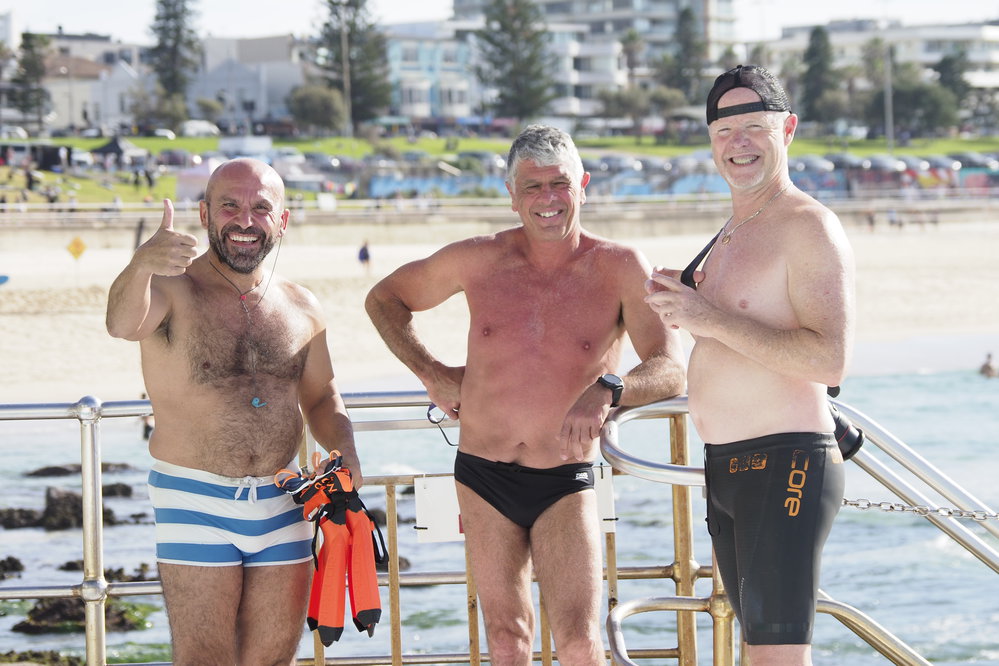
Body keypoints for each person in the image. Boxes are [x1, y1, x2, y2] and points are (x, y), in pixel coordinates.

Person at [365, 124, 685, 665]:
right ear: (512, 196)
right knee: (507, 639)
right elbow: (384, 299)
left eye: (560, 184)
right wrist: (431, 371)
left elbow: (671, 370)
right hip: (482, 474)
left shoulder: (620, 266)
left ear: (583, 186)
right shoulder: (479, 258)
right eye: (532, 187)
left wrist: (610, 389)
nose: (547, 199)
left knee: (579, 641)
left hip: (565, 477)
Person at [106, 158, 360, 665]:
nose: (245, 220)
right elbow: (121, 324)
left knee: (273, 660)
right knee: (204, 659)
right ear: (204, 214)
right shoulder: (172, 288)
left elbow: (321, 397)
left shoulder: (302, 305)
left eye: (261, 208)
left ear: (282, 221)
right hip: (194, 499)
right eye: (229, 206)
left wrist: (346, 453)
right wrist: (140, 264)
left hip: (284, 501)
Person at [645, 65, 854, 666]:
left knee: (776, 657)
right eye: (724, 131)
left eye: (754, 127)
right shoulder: (732, 231)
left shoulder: (807, 225)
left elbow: (830, 359)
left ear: (787, 129)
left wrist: (709, 318)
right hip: (726, 467)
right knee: (756, 650)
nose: (738, 142)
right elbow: (739, 336)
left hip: (787, 462)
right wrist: (687, 308)